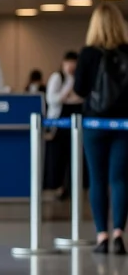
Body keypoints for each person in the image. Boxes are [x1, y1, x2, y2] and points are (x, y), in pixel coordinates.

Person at [73, 4, 128, 254]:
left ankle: (102, 235)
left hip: (95, 122)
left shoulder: (87, 54)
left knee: (97, 178)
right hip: (124, 124)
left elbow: (80, 89)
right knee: (119, 179)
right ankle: (118, 233)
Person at [45, 52, 82, 199]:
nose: (72, 66)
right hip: (58, 123)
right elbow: (53, 99)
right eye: (69, 62)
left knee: (72, 156)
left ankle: (71, 186)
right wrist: (69, 82)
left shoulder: (79, 78)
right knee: (57, 157)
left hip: (73, 123)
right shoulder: (58, 77)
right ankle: (58, 187)